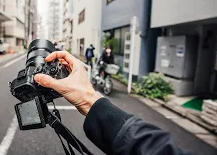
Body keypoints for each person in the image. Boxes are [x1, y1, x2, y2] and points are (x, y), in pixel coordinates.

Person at [34, 51, 194, 155]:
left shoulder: (107, 54)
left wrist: (89, 100)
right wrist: (89, 100)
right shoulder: (102, 54)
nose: (109, 51)